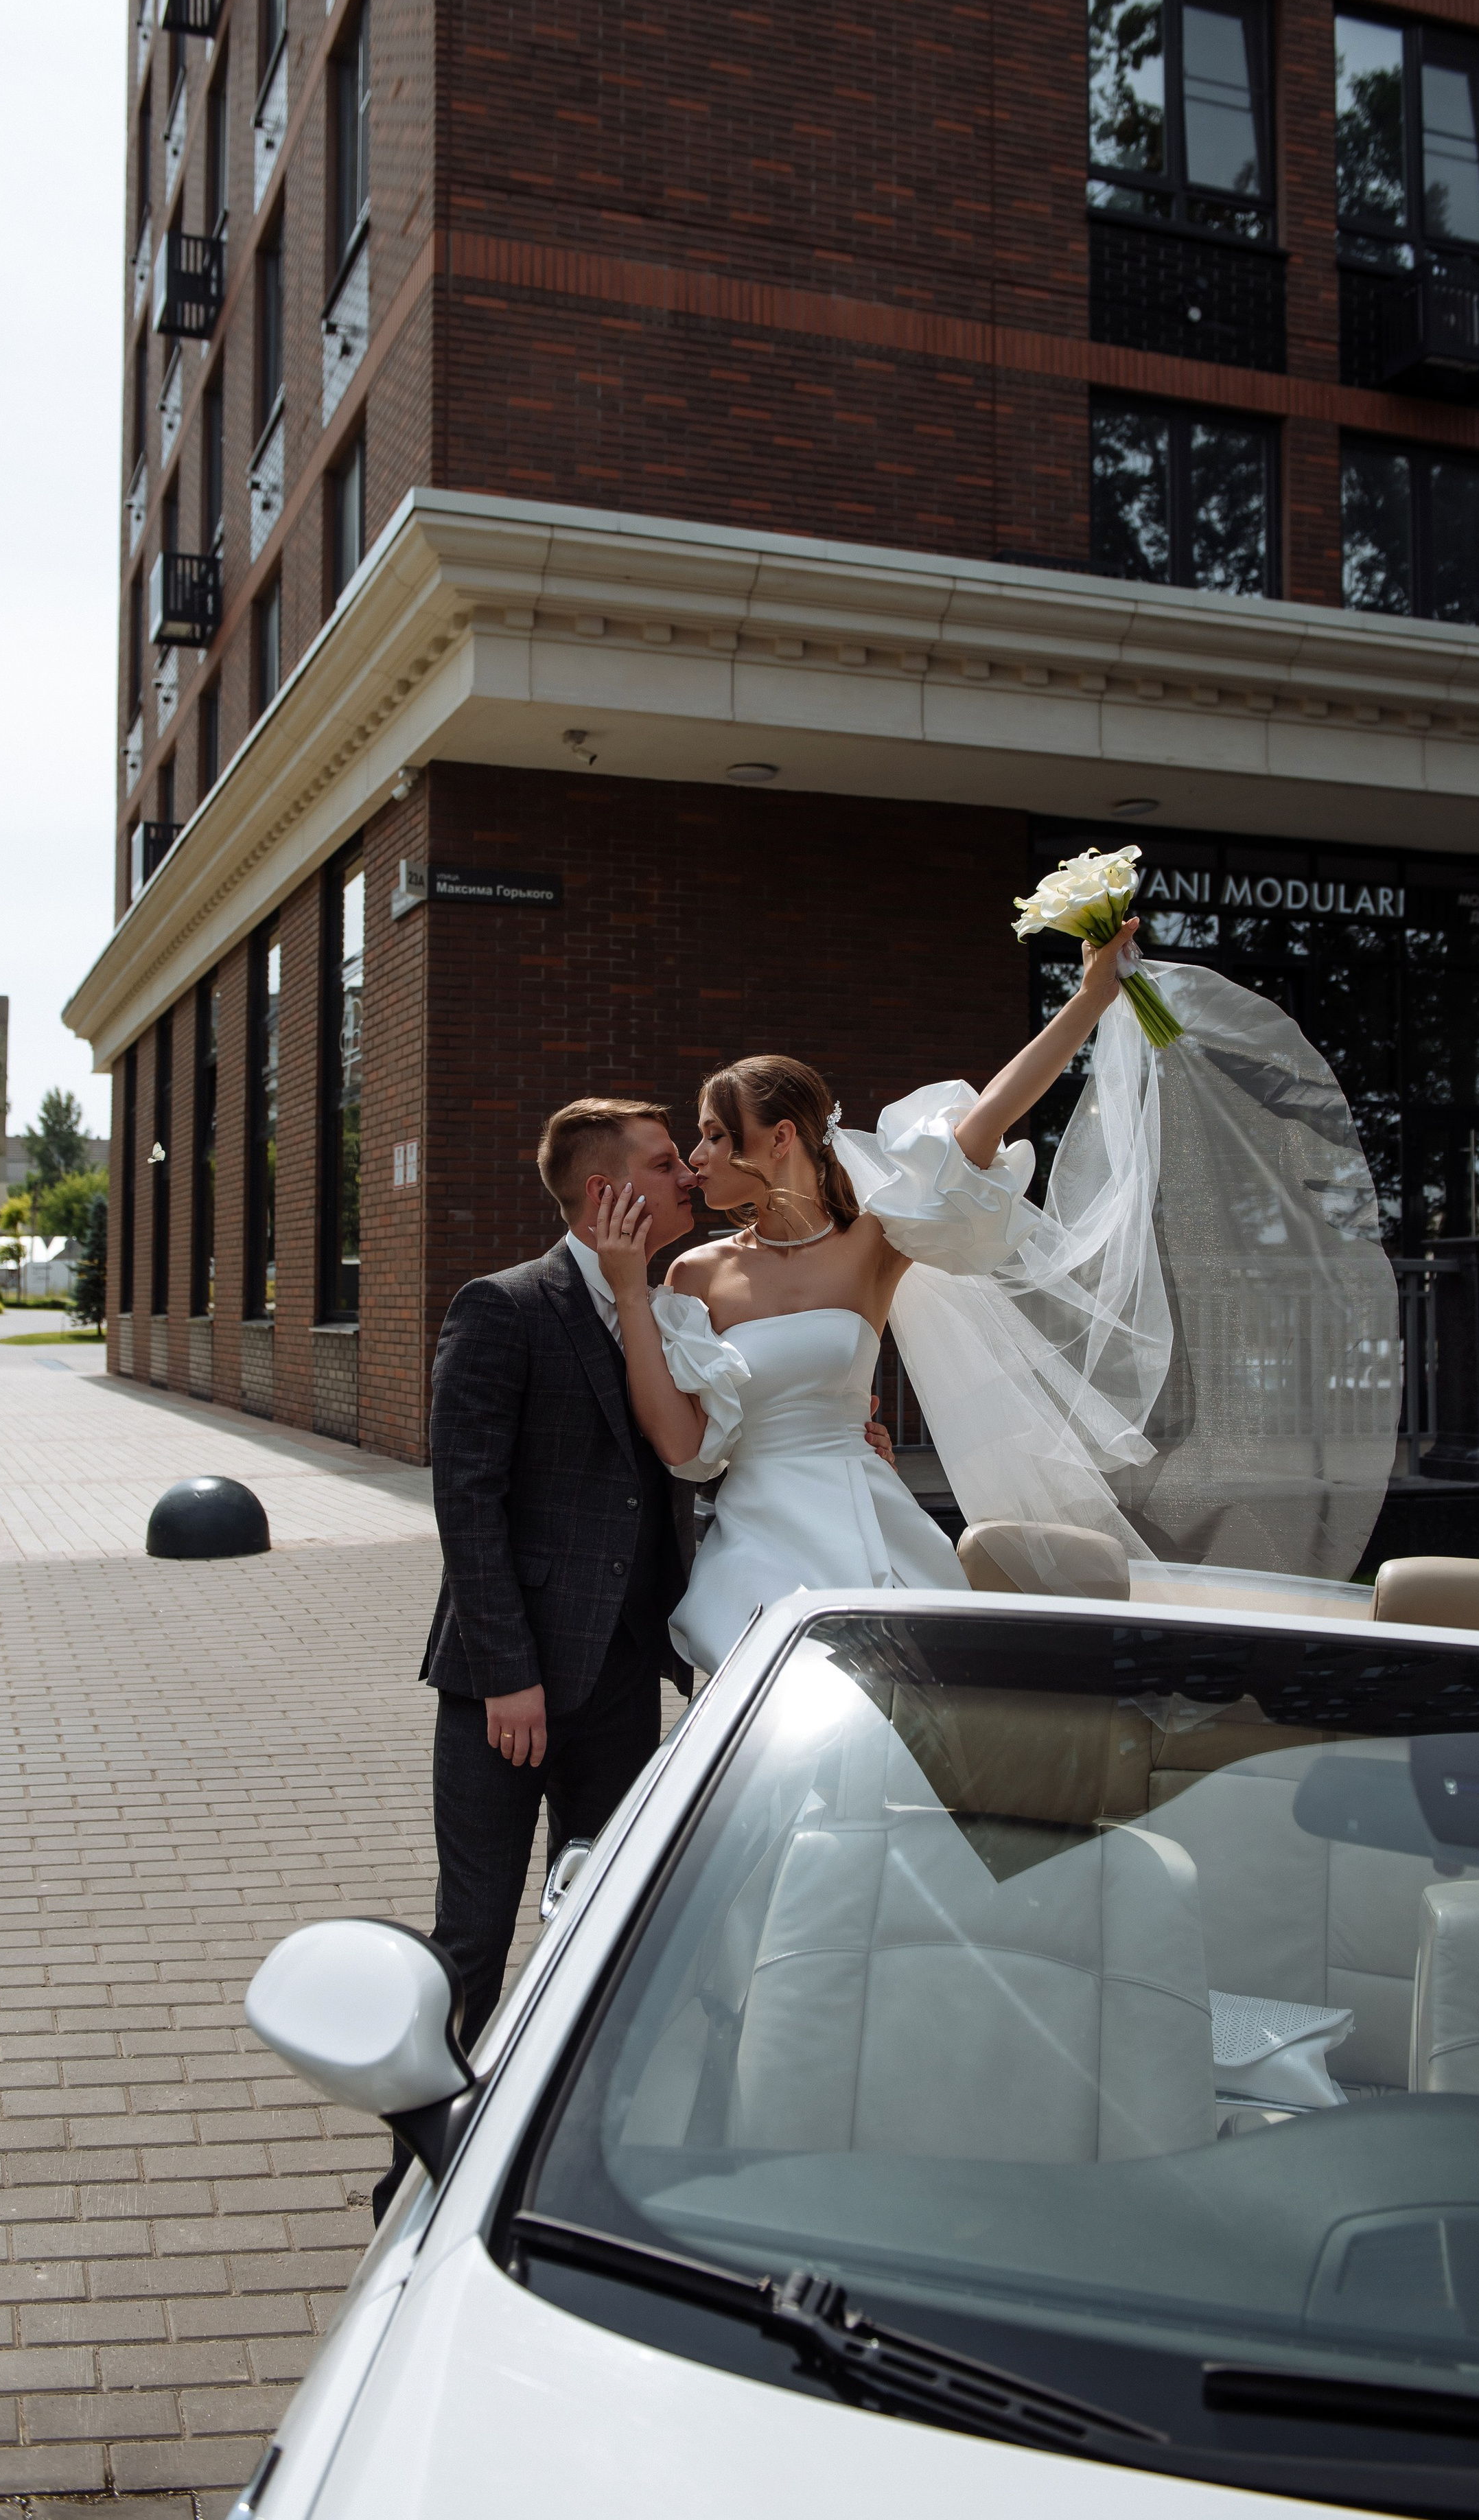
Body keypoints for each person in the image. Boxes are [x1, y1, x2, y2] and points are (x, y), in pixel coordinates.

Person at [595, 912, 1398, 1669]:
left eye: (710, 1132)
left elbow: (984, 1124)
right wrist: (631, 1290)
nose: (696, 1157)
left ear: (776, 1141)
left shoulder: (875, 1243)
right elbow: (687, 1446)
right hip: (758, 1532)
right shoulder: (693, 1276)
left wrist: (1087, 1001)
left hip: (865, 1507)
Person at [391, 1090, 898, 2223]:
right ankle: (413, 2165)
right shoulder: (504, 1306)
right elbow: (466, 1501)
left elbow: (713, 1447)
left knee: (611, 1926)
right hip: (502, 1688)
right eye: (668, 1163)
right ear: (606, 1192)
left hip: (624, 1682)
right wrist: (506, 1672)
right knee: (472, 1935)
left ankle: (567, 2155)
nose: (690, 1176)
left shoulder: (671, 1304)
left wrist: (852, 1442)